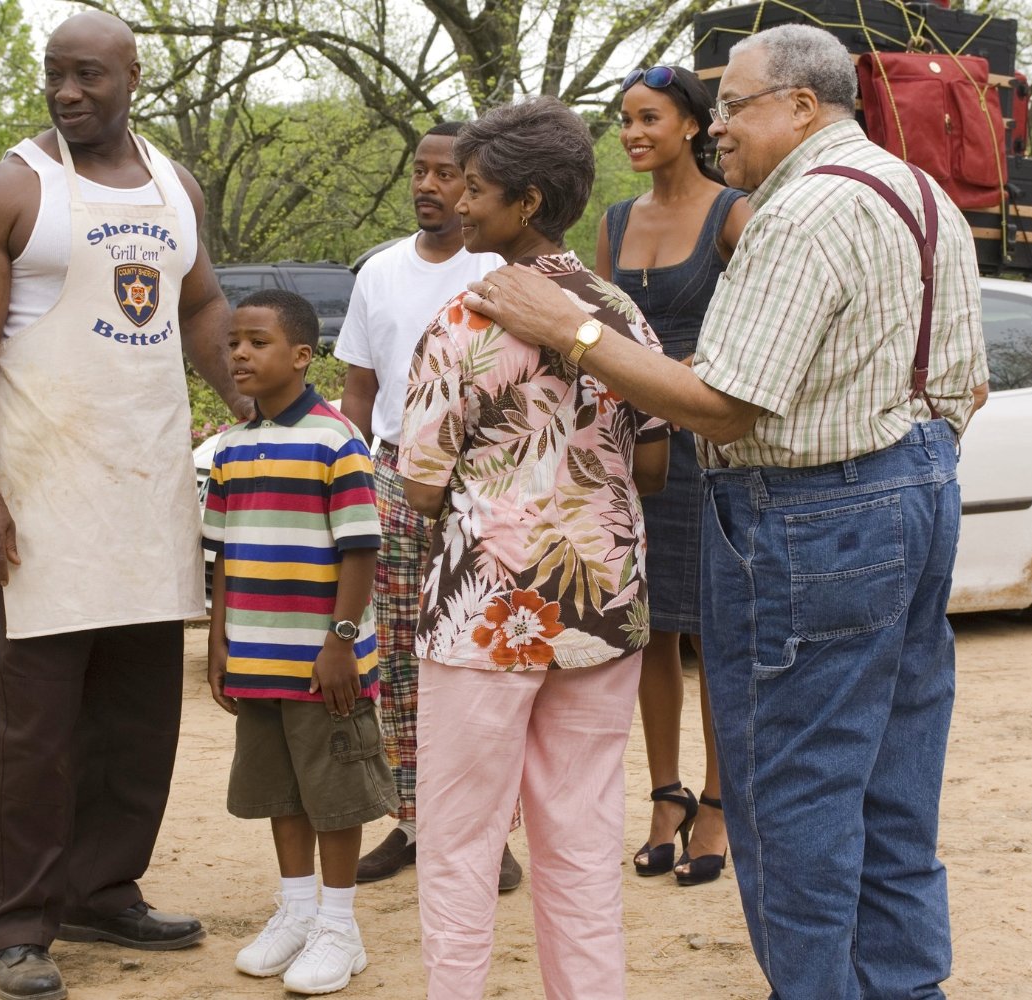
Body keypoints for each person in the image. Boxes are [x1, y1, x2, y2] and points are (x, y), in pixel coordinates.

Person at [465, 25, 990, 1000]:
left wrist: (566, 328)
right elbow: (970, 386)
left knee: (789, 802)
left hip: (810, 515)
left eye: (736, 107)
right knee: (891, 785)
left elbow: (726, 405)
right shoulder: (921, 197)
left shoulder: (798, 214)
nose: (720, 134)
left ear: (799, 103)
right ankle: (906, 987)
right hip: (919, 493)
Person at [0, 12, 248, 1000]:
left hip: (148, 481)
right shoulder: (10, 189)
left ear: (130, 76)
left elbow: (199, 306)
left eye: (85, 76)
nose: (66, 92)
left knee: (138, 709)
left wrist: (249, 403)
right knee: (39, 721)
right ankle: (20, 921)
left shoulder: (173, 186)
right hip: (41, 490)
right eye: (52, 76)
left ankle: (103, 883)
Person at [400, 96, 670, 1000]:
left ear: (527, 201)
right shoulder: (621, 312)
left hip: (485, 613)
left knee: (459, 837)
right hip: (602, 602)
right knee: (584, 834)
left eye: (475, 189)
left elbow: (420, 483)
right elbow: (658, 460)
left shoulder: (462, 322)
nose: (458, 202)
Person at [334, 122, 512, 888]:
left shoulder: (499, 269)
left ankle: (487, 833)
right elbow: (358, 390)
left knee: (481, 661)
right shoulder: (377, 272)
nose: (430, 186)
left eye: (450, 175)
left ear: (473, 185)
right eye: (421, 171)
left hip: (481, 489)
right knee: (402, 665)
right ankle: (411, 822)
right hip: (393, 484)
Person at [204, 289, 397, 995]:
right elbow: (223, 556)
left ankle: (339, 928)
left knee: (334, 794)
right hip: (257, 660)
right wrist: (218, 644)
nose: (239, 354)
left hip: (325, 666)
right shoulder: (231, 447)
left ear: (301, 355)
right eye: (232, 343)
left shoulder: (335, 439)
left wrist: (341, 641)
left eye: (256, 342)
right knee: (280, 792)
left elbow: (360, 551)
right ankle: (296, 910)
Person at [597, 63, 749, 886]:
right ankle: (666, 797)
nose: (632, 133)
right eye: (624, 120)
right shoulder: (615, 221)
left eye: (648, 118)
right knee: (648, 631)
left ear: (691, 125)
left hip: (706, 445)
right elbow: (597, 327)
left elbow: (761, 320)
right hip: (629, 447)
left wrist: (683, 371)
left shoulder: (733, 213)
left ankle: (720, 808)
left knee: (711, 628)